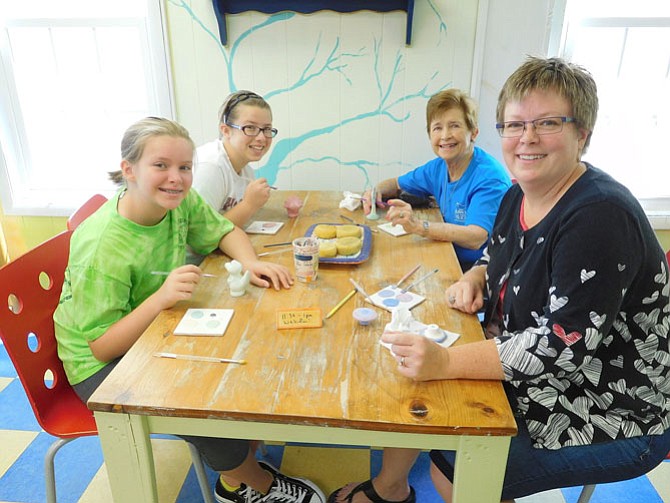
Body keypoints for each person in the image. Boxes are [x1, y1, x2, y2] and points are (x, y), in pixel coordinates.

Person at [330, 57, 670, 503]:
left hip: (613, 403)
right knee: (417, 391)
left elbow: (562, 346)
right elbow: (496, 252)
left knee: (456, 464)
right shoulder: (519, 193)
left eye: (547, 122)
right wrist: (476, 273)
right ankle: (390, 488)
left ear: (581, 133)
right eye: (514, 125)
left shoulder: (599, 217)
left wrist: (449, 363)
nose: (526, 138)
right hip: (537, 365)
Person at [54, 117, 325, 503]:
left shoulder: (178, 202)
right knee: (203, 406)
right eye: (161, 166)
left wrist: (251, 263)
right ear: (129, 170)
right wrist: (161, 298)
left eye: (184, 167)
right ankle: (255, 484)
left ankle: (235, 473)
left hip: (152, 329)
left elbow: (223, 231)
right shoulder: (102, 245)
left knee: (242, 361)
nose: (176, 178)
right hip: (99, 368)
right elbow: (100, 346)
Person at [362, 88, 511, 271]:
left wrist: (418, 226)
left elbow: (476, 237)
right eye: (437, 128)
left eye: (455, 125)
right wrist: (374, 192)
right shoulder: (438, 167)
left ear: (473, 132)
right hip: (447, 254)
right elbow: (396, 183)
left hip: (477, 272)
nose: (445, 135)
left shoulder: (489, 178)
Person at [194, 90, 277, 228]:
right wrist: (249, 204)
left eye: (267, 129)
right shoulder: (210, 168)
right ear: (226, 131)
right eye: (250, 127)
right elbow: (200, 235)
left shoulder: (245, 169)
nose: (262, 137)